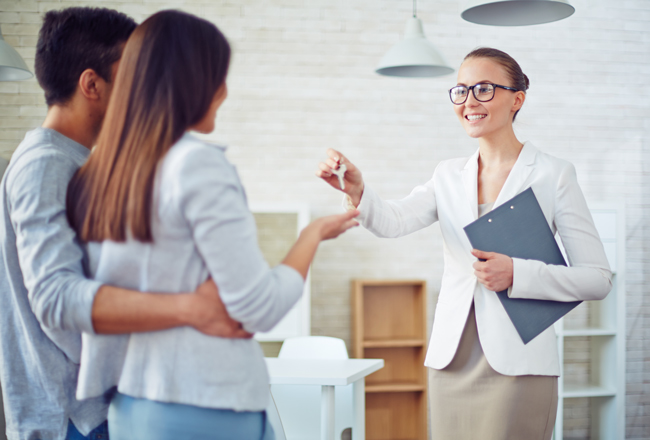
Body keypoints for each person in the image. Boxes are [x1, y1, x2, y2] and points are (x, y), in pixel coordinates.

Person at [65, 9, 359, 440]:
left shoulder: (100, 173)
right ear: (192, 81)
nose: (224, 90)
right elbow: (258, 308)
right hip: (206, 408)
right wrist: (311, 236)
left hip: (131, 409)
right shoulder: (197, 165)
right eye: (218, 75)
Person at [316, 47, 612, 440]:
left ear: (517, 99)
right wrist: (358, 191)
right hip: (451, 360)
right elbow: (392, 222)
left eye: (484, 89)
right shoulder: (447, 175)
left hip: (519, 362)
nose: (469, 101)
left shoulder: (553, 175)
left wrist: (517, 273)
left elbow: (597, 279)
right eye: (461, 90)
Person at [0, 8, 247, 440]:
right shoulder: (47, 165)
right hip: (77, 418)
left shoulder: (75, 161)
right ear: (91, 84)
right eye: (131, 75)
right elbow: (57, 302)